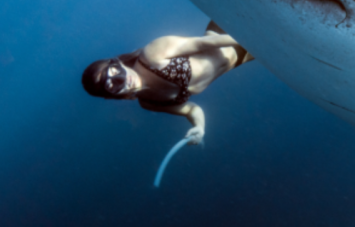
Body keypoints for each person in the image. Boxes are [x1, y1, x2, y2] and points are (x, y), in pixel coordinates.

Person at [82, 22, 253, 145]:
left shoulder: (151, 56)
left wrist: (248, 38)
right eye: (111, 85)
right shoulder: (150, 103)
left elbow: (201, 43)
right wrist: (200, 127)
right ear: (113, 96)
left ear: (117, 62)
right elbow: (192, 110)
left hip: (229, 31)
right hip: (240, 59)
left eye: (114, 71)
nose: (123, 79)